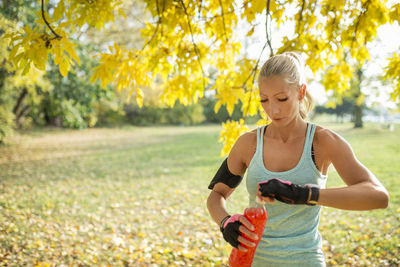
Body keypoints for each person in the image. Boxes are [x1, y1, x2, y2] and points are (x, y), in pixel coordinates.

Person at [206, 52, 389, 266]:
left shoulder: (322, 142)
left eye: (282, 99)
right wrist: (225, 222)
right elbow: (217, 195)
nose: (272, 110)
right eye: (264, 100)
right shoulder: (248, 143)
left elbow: (378, 197)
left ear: (301, 91)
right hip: (252, 261)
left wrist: (306, 194)